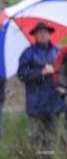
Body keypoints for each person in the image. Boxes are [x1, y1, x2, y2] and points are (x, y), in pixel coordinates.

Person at [17, 22, 64, 152]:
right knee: (34, 136)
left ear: (49, 34)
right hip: (35, 103)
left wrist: (55, 71)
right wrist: (41, 73)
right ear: (35, 35)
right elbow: (22, 75)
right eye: (40, 32)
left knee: (51, 138)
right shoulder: (27, 54)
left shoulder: (58, 52)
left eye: (45, 32)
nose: (43, 34)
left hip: (55, 103)